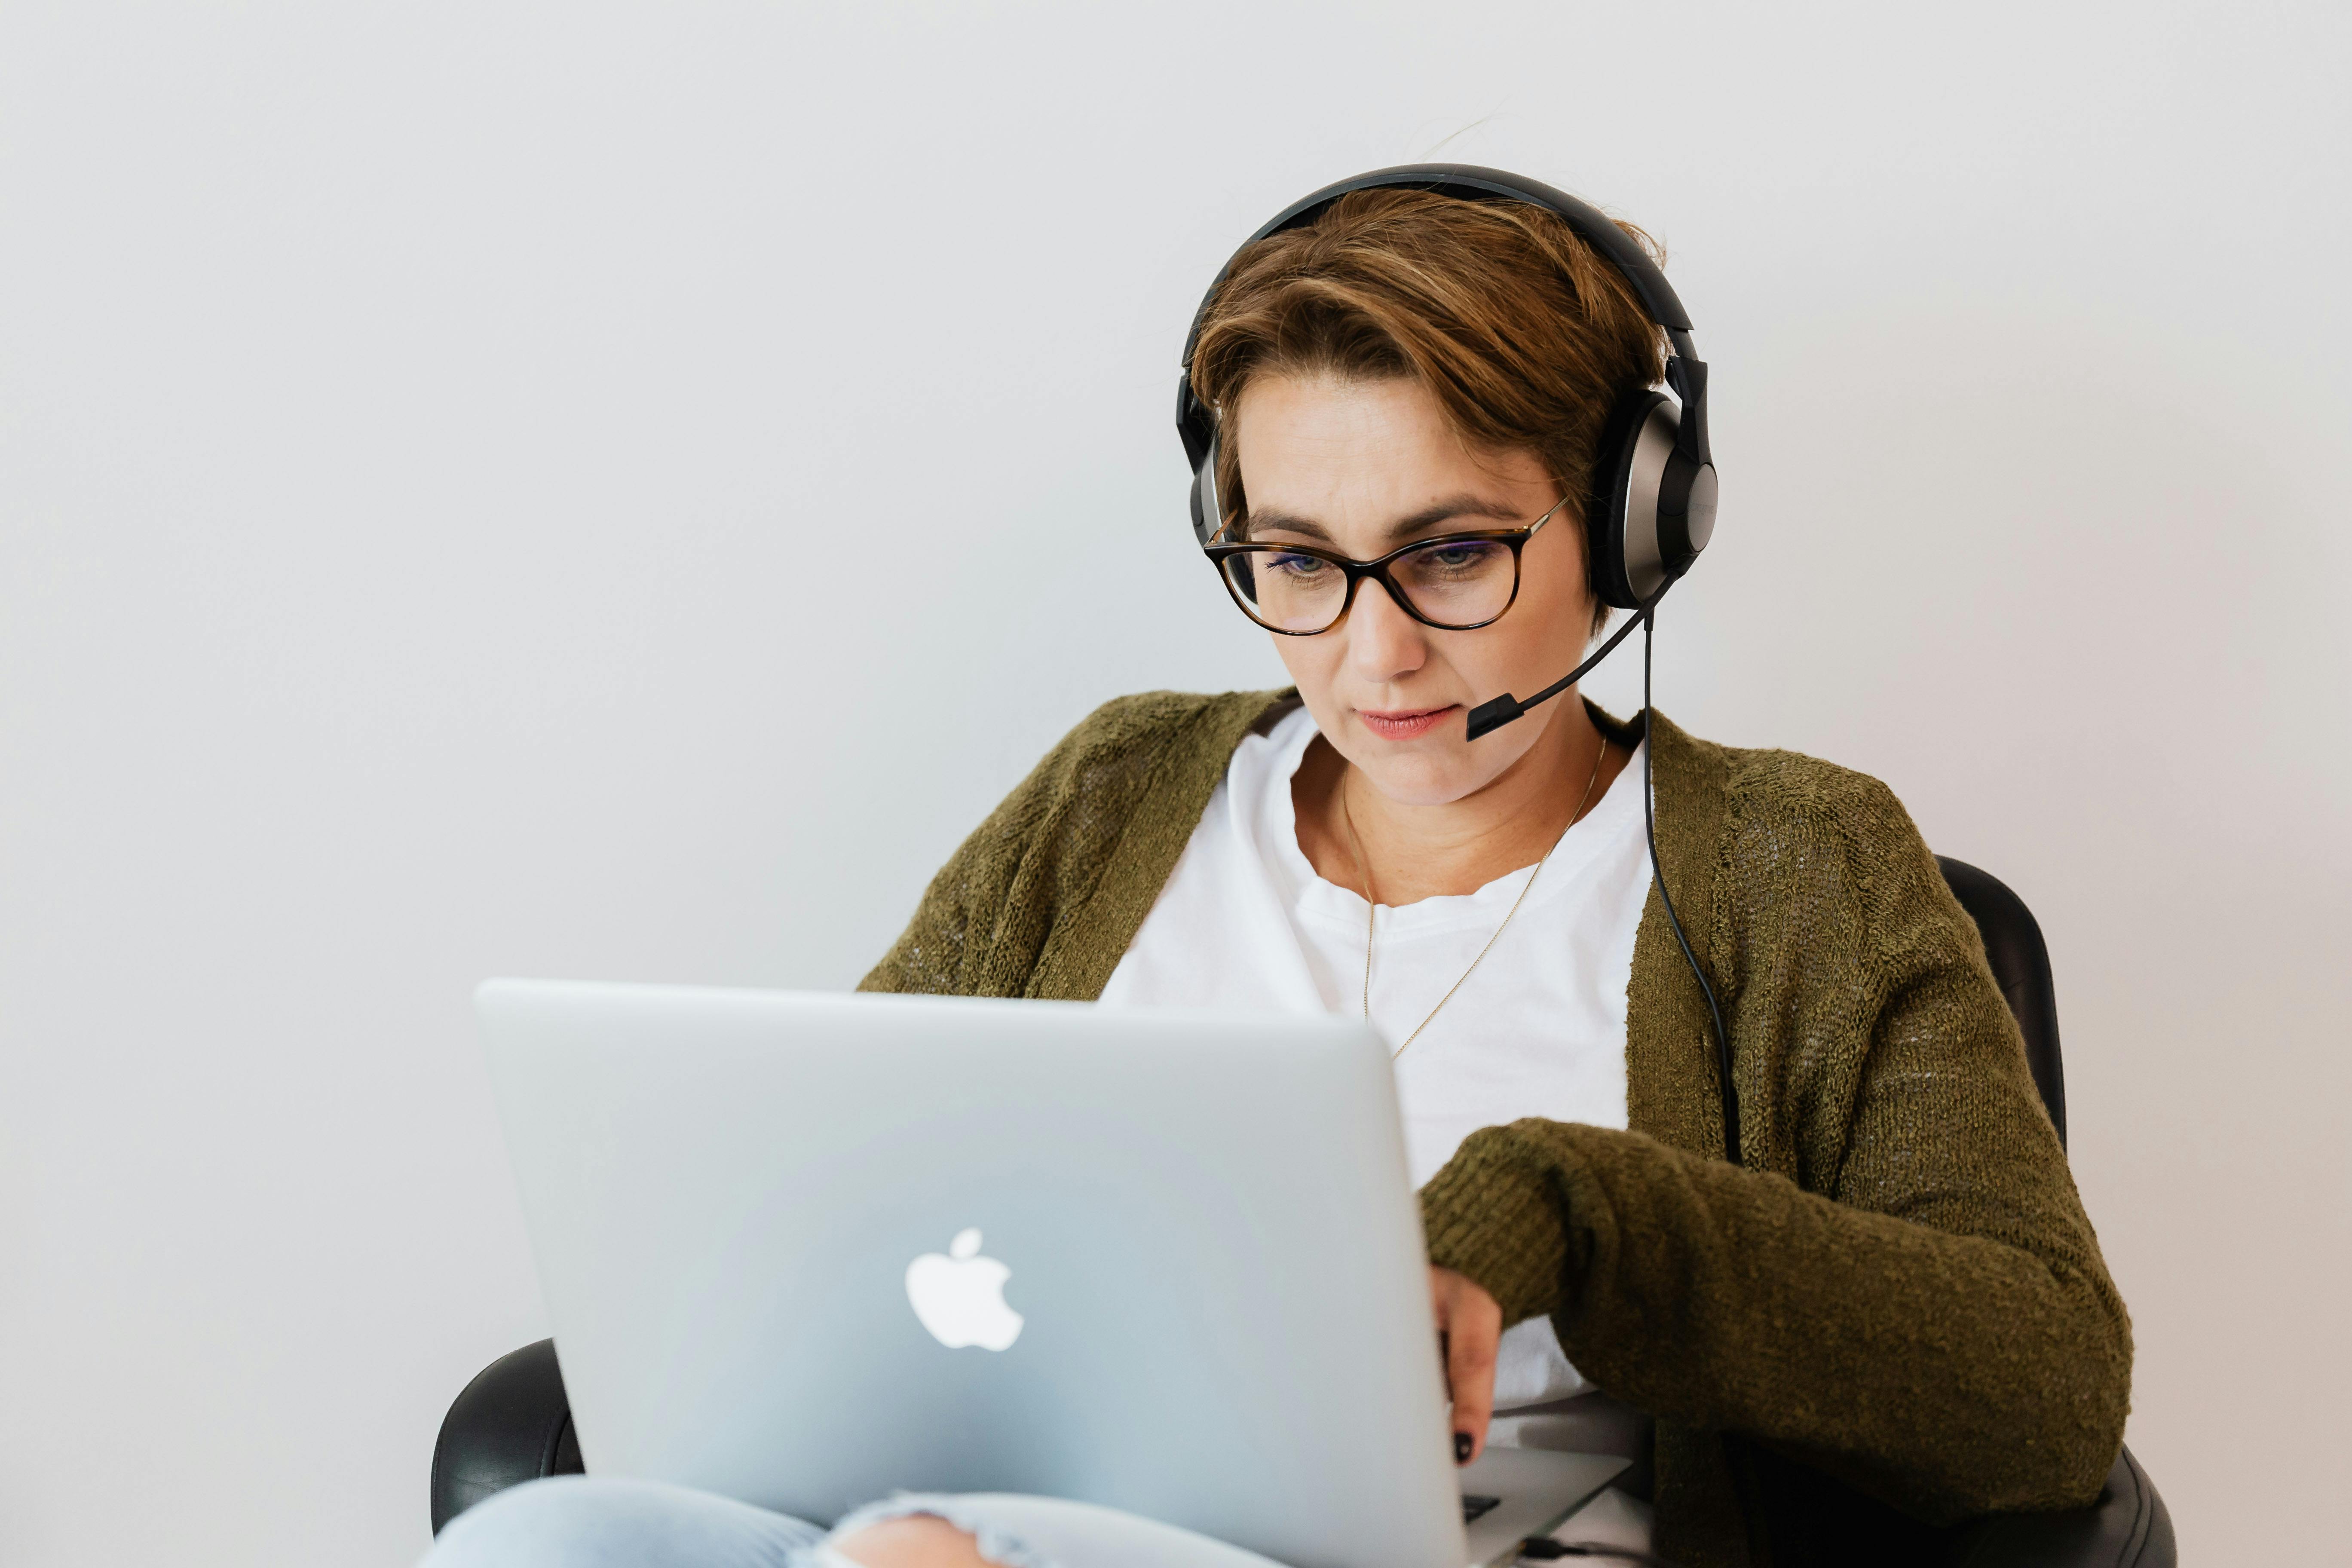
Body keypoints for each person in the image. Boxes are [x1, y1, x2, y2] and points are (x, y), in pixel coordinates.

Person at [426, 179, 2130, 1568]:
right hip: (981, 1531)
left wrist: (1561, 1212)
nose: (1373, 654)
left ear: (1632, 520)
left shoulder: (1797, 862)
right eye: (1296, 561)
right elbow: (850, 1205)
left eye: (1452, 553)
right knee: (547, 1542)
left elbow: (2043, 1386)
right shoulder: (1119, 793)